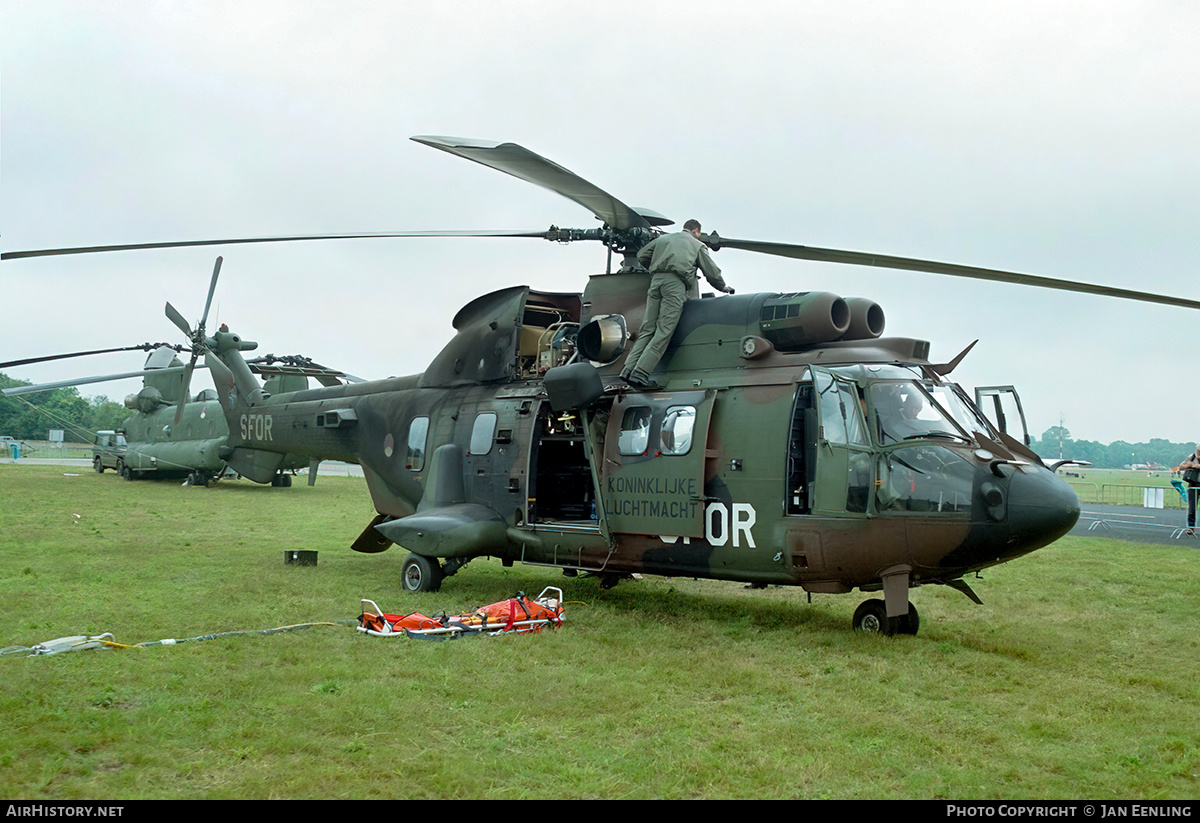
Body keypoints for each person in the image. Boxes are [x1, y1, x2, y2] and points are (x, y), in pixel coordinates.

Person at [620, 219, 733, 390]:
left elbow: (642, 255)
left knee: (647, 329)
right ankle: (641, 373)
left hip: (656, 282)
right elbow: (712, 273)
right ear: (696, 230)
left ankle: (628, 369)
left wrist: (656, 267)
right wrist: (723, 287)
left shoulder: (663, 240)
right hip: (675, 285)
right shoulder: (697, 245)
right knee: (664, 330)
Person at [1178, 445, 1200, 535]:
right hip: (1193, 485)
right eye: (1198, 450)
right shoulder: (1192, 457)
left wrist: (1197, 466)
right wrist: (1188, 465)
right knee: (1192, 507)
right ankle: (1191, 527)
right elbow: (1181, 466)